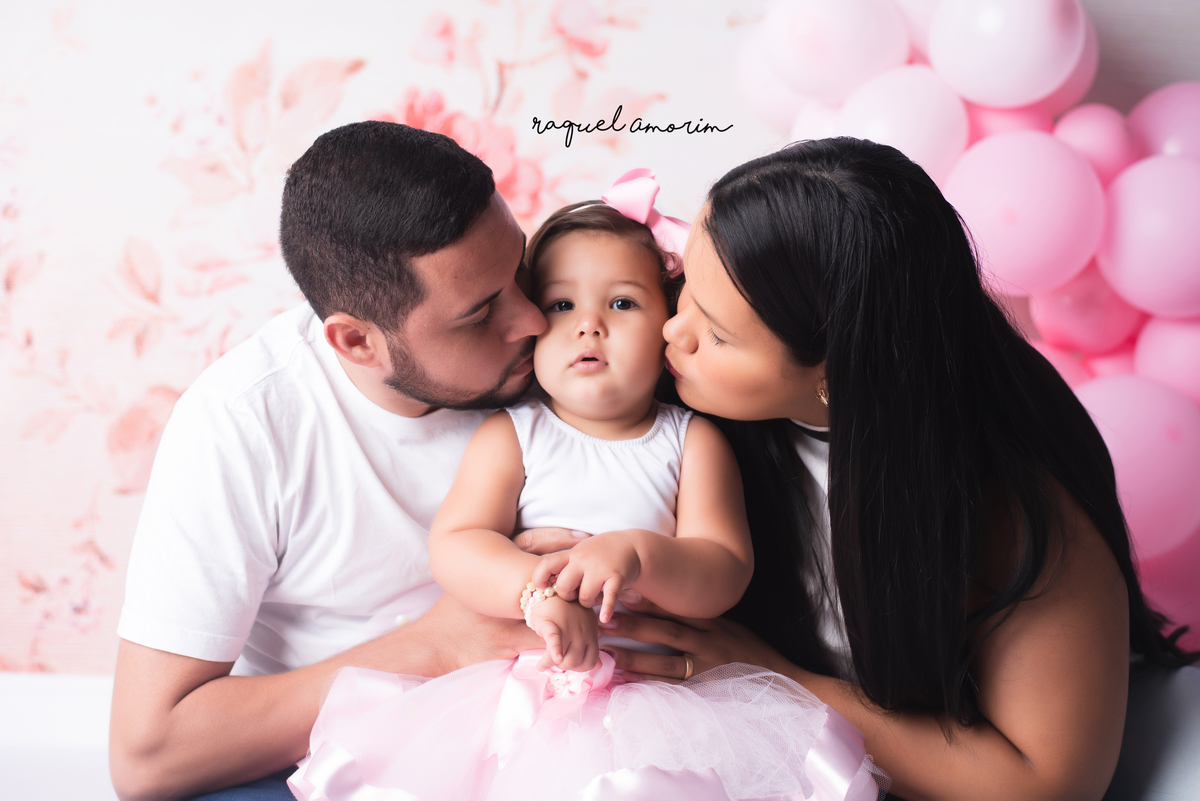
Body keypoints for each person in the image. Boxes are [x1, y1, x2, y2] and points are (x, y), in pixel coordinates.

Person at [589, 138, 1199, 801]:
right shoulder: (683, 378)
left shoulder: (1012, 499)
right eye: (686, 285)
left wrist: (771, 679)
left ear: (836, 375)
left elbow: (1046, 783)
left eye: (716, 334)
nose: (672, 330)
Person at [287, 183, 889, 801]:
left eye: (623, 303)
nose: (588, 325)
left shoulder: (693, 440)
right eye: (560, 304)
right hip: (524, 689)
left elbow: (724, 571)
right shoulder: (514, 434)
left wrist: (638, 554)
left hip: (661, 700)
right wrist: (535, 593)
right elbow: (460, 542)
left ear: (669, 325)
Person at [108, 121, 589, 801]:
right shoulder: (244, 421)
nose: (533, 321)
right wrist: (439, 645)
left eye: (519, 268)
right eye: (481, 314)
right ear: (357, 342)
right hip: (326, 758)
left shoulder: (576, 346)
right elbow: (148, 755)